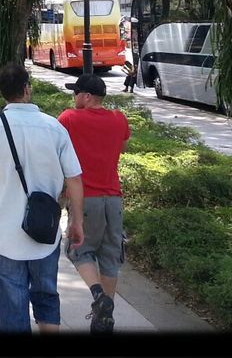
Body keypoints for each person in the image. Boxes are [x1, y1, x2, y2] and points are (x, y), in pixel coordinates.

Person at [0, 62, 84, 334]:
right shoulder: (54, 128)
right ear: (27, 89)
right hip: (46, 234)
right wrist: (77, 221)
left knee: (12, 310)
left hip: (6, 236)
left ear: (2, 92)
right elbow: (75, 179)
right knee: (46, 298)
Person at [58, 72, 132, 334]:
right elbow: (123, 146)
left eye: (76, 92)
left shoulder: (68, 118)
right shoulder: (118, 119)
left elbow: (55, 147)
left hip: (85, 199)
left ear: (87, 96)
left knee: (81, 251)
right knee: (110, 256)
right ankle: (105, 318)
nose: (74, 97)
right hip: (113, 198)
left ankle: (99, 296)